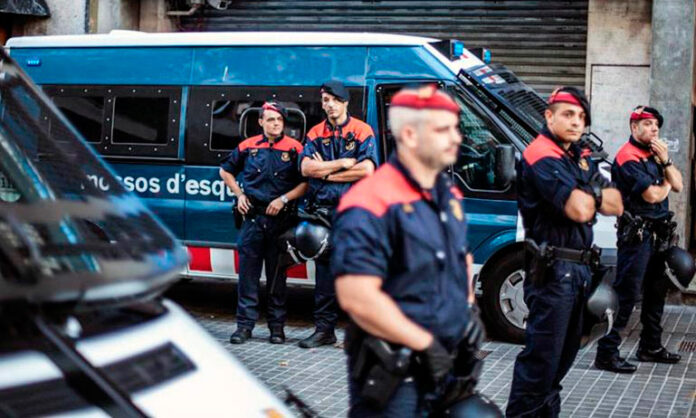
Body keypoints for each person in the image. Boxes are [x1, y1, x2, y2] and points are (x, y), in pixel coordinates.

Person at [332, 85, 486, 417]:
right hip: (396, 378)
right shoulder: (370, 201)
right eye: (443, 130)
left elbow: (461, 257)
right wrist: (424, 344)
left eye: (455, 128)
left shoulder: (448, 195)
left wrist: (468, 309)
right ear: (410, 135)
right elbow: (358, 297)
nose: (456, 138)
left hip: (445, 367)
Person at [506, 87, 623, 417]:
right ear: (549, 116)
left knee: (559, 365)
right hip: (554, 273)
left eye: (581, 117)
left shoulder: (576, 155)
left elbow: (616, 202)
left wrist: (588, 194)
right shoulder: (541, 154)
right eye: (568, 114)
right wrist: (592, 191)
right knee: (540, 366)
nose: (576, 122)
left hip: (579, 271)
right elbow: (579, 209)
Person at [594, 106, 683, 373]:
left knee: (656, 292)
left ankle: (650, 346)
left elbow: (679, 184)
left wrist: (666, 162)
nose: (654, 129)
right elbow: (652, 195)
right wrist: (666, 181)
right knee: (627, 294)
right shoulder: (627, 157)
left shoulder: (656, 155)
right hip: (637, 236)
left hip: (659, 234)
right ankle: (606, 353)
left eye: (656, 124)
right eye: (647, 124)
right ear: (634, 127)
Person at [297, 81, 378, 348]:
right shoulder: (315, 132)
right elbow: (306, 168)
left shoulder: (362, 131)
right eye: (325, 100)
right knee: (324, 275)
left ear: (345, 102)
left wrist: (326, 172)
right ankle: (324, 331)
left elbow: (366, 170)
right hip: (323, 213)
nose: (329, 105)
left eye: (334, 100)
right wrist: (342, 163)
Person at [219, 101, 307, 345]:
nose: (276, 124)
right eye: (270, 119)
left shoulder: (295, 148)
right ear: (261, 122)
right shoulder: (248, 146)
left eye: (279, 120)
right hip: (253, 220)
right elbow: (225, 171)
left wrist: (284, 199)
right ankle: (244, 327)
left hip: (281, 221)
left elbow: (306, 182)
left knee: (277, 279)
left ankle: (277, 329)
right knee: (248, 277)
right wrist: (239, 195)